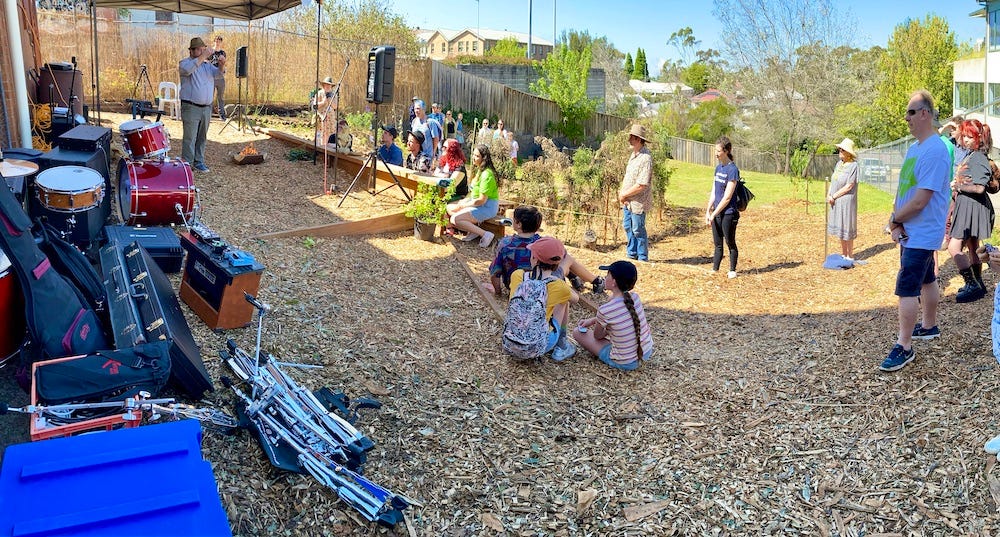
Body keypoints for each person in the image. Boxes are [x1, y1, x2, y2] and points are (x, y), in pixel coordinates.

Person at [880, 90, 951, 373]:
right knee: (927, 278)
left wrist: (895, 220)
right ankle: (929, 326)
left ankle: (904, 346)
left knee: (907, 288)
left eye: (910, 112)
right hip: (911, 229)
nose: (906, 118)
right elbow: (905, 190)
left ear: (924, 114)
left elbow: (921, 200)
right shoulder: (915, 148)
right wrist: (896, 220)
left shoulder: (935, 150)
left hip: (921, 232)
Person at [485, 205, 605, 295]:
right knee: (567, 258)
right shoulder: (544, 244)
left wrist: (498, 292)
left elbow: (495, 272)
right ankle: (596, 281)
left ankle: (573, 276)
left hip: (516, 289)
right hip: (545, 287)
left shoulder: (505, 244)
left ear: (518, 224)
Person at [573, 260, 654, 371]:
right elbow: (621, 318)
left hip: (626, 362)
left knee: (577, 332)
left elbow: (598, 336)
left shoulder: (605, 310)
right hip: (646, 352)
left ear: (614, 282)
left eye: (608, 275)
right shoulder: (635, 298)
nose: (605, 277)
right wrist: (593, 320)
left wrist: (606, 327)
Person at [508, 237, 580, 361]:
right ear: (557, 264)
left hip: (511, 341)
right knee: (564, 301)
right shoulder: (558, 286)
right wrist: (562, 284)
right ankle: (562, 346)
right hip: (541, 345)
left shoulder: (518, 275)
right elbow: (576, 299)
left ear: (534, 259)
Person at [947, 119, 995, 303]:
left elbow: (979, 188)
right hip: (968, 205)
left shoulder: (978, 157)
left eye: (970, 136)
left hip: (972, 206)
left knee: (954, 246)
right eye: (964, 136)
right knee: (973, 246)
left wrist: (958, 186)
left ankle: (971, 284)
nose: (966, 140)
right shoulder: (972, 155)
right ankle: (978, 284)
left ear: (978, 137)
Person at [178, 36, 223, 172]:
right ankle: (187, 165)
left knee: (202, 137)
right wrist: (203, 56)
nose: (203, 51)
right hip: (191, 106)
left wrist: (222, 64)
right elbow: (187, 71)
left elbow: (218, 75)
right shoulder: (185, 63)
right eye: (200, 49)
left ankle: (199, 161)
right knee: (190, 138)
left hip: (206, 108)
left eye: (203, 49)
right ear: (191, 50)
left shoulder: (207, 65)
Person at [446, 143, 500, 248]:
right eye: (473, 155)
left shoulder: (487, 174)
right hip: (476, 203)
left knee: (455, 219)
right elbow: (473, 192)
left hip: (487, 207)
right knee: (450, 208)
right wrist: (464, 201)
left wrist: (465, 205)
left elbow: (481, 200)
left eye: (477, 156)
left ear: (484, 158)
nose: (474, 158)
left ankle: (486, 234)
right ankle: (473, 230)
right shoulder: (479, 170)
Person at [706, 135, 739, 277]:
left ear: (726, 151)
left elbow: (727, 198)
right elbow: (714, 190)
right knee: (717, 244)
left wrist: (714, 214)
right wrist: (708, 210)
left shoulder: (733, 170)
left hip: (728, 213)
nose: (716, 153)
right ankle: (715, 269)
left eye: (718, 151)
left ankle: (732, 270)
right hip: (717, 212)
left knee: (730, 242)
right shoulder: (718, 168)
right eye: (715, 150)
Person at [620, 124, 654, 262]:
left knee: (638, 229)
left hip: (638, 202)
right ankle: (631, 254)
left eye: (632, 137)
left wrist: (624, 194)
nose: (629, 139)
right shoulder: (633, 155)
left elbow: (642, 184)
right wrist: (623, 194)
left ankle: (642, 258)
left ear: (638, 139)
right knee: (628, 226)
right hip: (628, 201)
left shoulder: (646, 158)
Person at [827, 138, 859, 260]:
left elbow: (849, 185)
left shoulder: (854, 166)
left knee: (847, 226)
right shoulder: (839, 164)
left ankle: (850, 256)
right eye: (839, 149)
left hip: (846, 201)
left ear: (848, 153)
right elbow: (833, 180)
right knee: (840, 226)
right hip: (835, 200)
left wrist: (834, 196)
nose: (840, 151)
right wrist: (829, 194)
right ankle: (844, 253)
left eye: (842, 149)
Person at [434, 139, 469, 203]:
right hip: (442, 192)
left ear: (452, 149)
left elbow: (451, 185)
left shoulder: (459, 166)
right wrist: (444, 175)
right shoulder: (443, 161)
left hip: (457, 195)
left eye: (445, 147)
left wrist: (440, 175)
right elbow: (434, 174)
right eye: (442, 147)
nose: (442, 149)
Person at [411, 100, 442, 164]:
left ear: (423, 109)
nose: (416, 111)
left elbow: (436, 139)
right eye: (415, 108)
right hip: (415, 156)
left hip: (427, 157)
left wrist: (433, 153)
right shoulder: (414, 122)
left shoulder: (430, 122)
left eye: (418, 108)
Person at [313, 77, 338, 147]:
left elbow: (335, 106)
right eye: (326, 84)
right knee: (322, 133)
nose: (327, 86)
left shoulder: (333, 94)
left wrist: (329, 99)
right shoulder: (319, 93)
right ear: (323, 85)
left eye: (329, 85)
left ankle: (328, 146)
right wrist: (323, 102)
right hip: (322, 117)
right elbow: (315, 106)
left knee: (331, 133)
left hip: (331, 119)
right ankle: (321, 146)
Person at [208, 36, 227, 120]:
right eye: (216, 41)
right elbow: (206, 62)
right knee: (210, 96)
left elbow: (224, 63)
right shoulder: (210, 52)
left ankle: (222, 115)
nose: (218, 42)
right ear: (214, 41)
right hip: (211, 77)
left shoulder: (223, 53)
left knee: (220, 97)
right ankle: (208, 114)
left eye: (219, 41)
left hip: (220, 77)